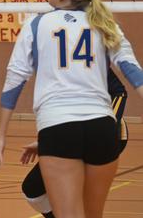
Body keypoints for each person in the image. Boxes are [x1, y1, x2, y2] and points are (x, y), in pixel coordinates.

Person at [0, 0, 143, 218]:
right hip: (103, 129)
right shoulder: (106, 24)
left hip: (59, 127)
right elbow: (135, 75)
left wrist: (0, 136)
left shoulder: (36, 24)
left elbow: (14, 81)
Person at [18, 67, 129, 218]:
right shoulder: (53, 66)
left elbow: (119, 93)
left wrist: (106, 128)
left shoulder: (91, 57)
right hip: (71, 134)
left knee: (83, 200)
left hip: (106, 136)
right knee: (32, 190)